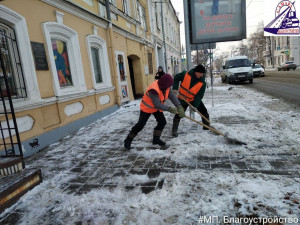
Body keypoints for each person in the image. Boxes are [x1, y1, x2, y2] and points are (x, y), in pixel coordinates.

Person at [124, 74, 185, 150]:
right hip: (147, 108)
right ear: (164, 84)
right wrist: (170, 109)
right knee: (140, 125)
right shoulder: (154, 89)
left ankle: (156, 139)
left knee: (162, 122)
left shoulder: (166, 87)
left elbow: (172, 96)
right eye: (168, 86)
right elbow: (157, 104)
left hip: (156, 108)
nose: (169, 87)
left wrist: (179, 107)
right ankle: (128, 139)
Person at [171, 64, 210, 137]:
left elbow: (199, 96)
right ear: (196, 72)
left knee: (204, 112)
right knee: (179, 113)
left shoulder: (202, 83)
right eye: (201, 73)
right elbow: (176, 77)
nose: (202, 75)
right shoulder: (185, 74)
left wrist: (195, 106)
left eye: (203, 74)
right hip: (183, 99)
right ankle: (174, 130)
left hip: (193, 99)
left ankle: (206, 128)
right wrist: (175, 87)